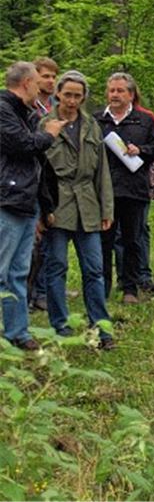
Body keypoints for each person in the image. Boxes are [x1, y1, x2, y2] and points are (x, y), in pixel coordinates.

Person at [39, 71, 115, 349]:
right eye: (67, 94)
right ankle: (60, 327)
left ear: (83, 97)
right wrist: (41, 210)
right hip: (56, 204)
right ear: (58, 93)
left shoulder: (92, 125)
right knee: (56, 267)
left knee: (95, 269)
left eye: (77, 95)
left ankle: (101, 329)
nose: (72, 100)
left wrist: (107, 208)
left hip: (88, 205)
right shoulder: (44, 125)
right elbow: (37, 171)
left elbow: (102, 172)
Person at [0, 61, 63, 351]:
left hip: (26, 202)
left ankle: (17, 332)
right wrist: (49, 134)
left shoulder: (27, 113)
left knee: (19, 272)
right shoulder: (3, 109)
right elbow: (23, 145)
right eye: (38, 82)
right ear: (26, 83)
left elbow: (36, 164)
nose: (42, 87)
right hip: (6, 200)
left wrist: (44, 203)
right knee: (2, 271)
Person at [96, 72, 154, 304]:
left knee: (132, 240)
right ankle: (101, 288)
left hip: (134, 190)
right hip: (103, 191)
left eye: (120, 91)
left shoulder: (144, 120)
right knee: (103, 241)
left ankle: (130, 289)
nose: (115, 95)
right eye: (112, 90)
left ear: (131, 94)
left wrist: (141, 150)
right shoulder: (96, 120)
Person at [26, 57, 59, 312]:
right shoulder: (28, 109)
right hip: (32, 181)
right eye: (45, 76)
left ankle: (46, 288)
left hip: (56, 181)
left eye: (52, 76)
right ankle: (30, 292)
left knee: (51, 239)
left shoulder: (57, 107)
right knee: (32, 242)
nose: (49, 80)